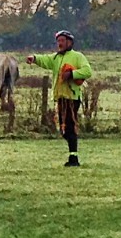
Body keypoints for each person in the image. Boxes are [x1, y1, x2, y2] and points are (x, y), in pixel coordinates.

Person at [26, 30, 93, 166]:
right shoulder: (56, 58)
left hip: (71, 98)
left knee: (69, 127)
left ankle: (73, 158)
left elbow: (88, 71)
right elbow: (45, 60)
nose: (60, 43)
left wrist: (72, 74)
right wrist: (34, 58)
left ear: (69, 42)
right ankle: (72, 155)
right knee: (63, 129)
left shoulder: (77, 56)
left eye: (62, 41)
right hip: (61, 98)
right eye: (58, 41)